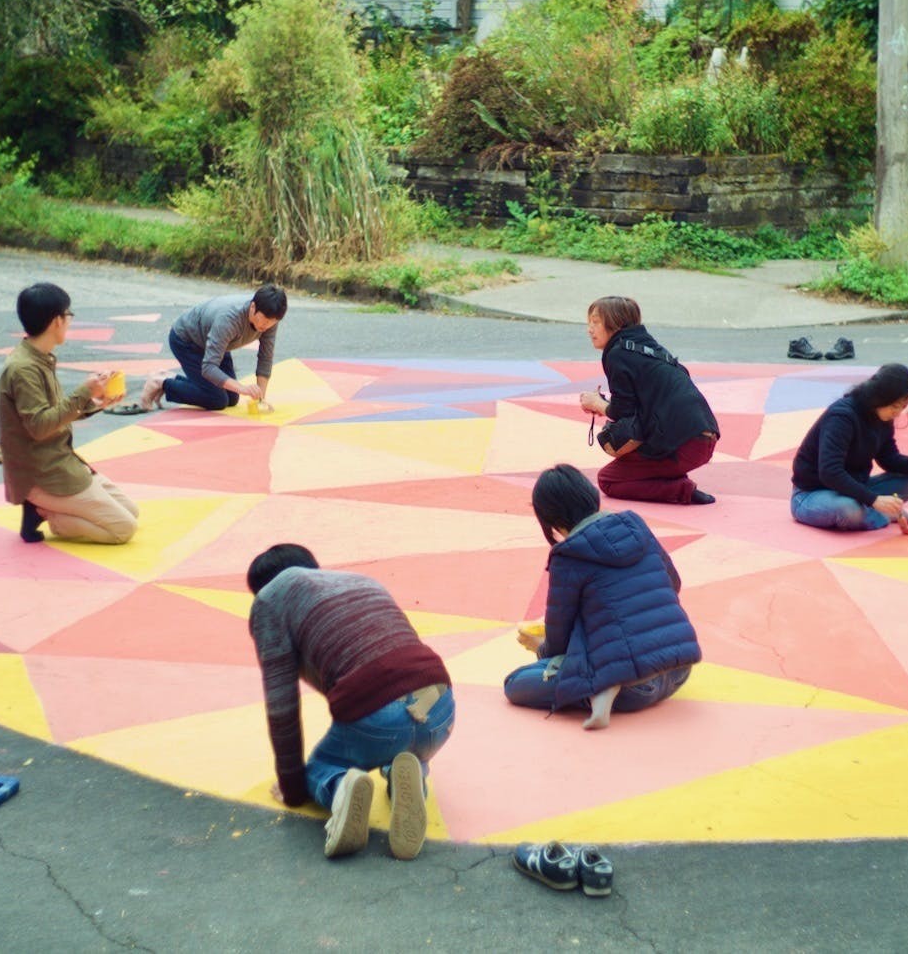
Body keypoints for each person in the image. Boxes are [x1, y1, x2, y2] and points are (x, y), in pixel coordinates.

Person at [246, 544, 454, 861]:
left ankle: (342, 787)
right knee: (406, 743)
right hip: (441, 708)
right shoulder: (362, 581)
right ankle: (410, 780)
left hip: (375, 716)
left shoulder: (270, 600)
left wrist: (293, 788)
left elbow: (282, 705)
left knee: (320, 769)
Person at [503, 465, 701, 730]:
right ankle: (605, 685)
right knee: (597, 625)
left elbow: (558, 639)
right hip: (679, 671)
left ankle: (600, 690)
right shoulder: (635, 525)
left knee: (516, 684)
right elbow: (673, 583)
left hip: (636, 689)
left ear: (550, 520)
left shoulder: (569, 556)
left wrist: (541, 646)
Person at [0, 283, 137, 544]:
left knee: (132, 512)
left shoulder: (38, 357)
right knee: (123, 529)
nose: (69, 321)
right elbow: (39, 425)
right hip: (42, 472)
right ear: (56, 321)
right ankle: (44, 512)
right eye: (68, 315)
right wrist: (84, 392)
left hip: (60, 461)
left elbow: (56, 413)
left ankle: (46, 508)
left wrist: (96, 400)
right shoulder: (24, 369)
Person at [577, 296, 719, 505]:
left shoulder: (617, 353)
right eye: (589, 323)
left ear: (616, 322)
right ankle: (673, 478)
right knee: (633, 460)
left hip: (685, 446)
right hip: (704, 437)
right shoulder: (648, 347)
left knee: (608, 480)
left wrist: (596, 403)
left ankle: (681, 489)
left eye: (596, 322)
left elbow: (623, 411)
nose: (590, 329)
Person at [789, 363, 908, 532]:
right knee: (849, 511)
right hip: (812, 494)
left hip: (853, 488)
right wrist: (874, 500)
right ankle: (881, 515)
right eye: (895, 406)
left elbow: (888, 458)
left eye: (903, 407)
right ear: (880, 397)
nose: (897, 413)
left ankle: (870, 511)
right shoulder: (842, 417)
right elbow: (829, 472)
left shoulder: (882, 417)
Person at [134, 285, 286, 413]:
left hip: (217, 344)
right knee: (217, 399)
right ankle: (161, 382)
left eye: (272, 323)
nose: (266, 326)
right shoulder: (228, 319)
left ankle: (172, 379)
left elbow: (265, 358)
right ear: (253, 307)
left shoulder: (271, 319)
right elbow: (208, 367)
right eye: (264, 320)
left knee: (232, 398)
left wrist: (261, 400)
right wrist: (242, 388)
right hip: (187, 341)